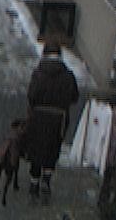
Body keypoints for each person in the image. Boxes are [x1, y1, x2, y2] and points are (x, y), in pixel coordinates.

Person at [21, 43, 82, 200]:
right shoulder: (68, 75)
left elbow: (31, 96)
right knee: (52, 148)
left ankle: (34, 182)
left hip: (38, 117)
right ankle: (46, 180)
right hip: (59, 119)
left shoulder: (38, 74)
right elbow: (74, 97)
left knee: (36, 148)